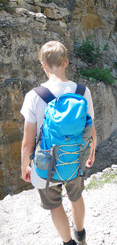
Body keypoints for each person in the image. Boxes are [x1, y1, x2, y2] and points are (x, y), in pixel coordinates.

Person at [20, 41, 97, 245]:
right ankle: (80, 234)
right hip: (75, 157)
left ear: (43, 64)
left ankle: (68, 242)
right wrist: (91, 152)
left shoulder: (34, 96)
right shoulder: (82, 92)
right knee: (76, 196)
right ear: (66, 62)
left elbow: (28, 141)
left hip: (46, 162)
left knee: (55, 204)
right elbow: (90, 129)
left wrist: (25, 165)